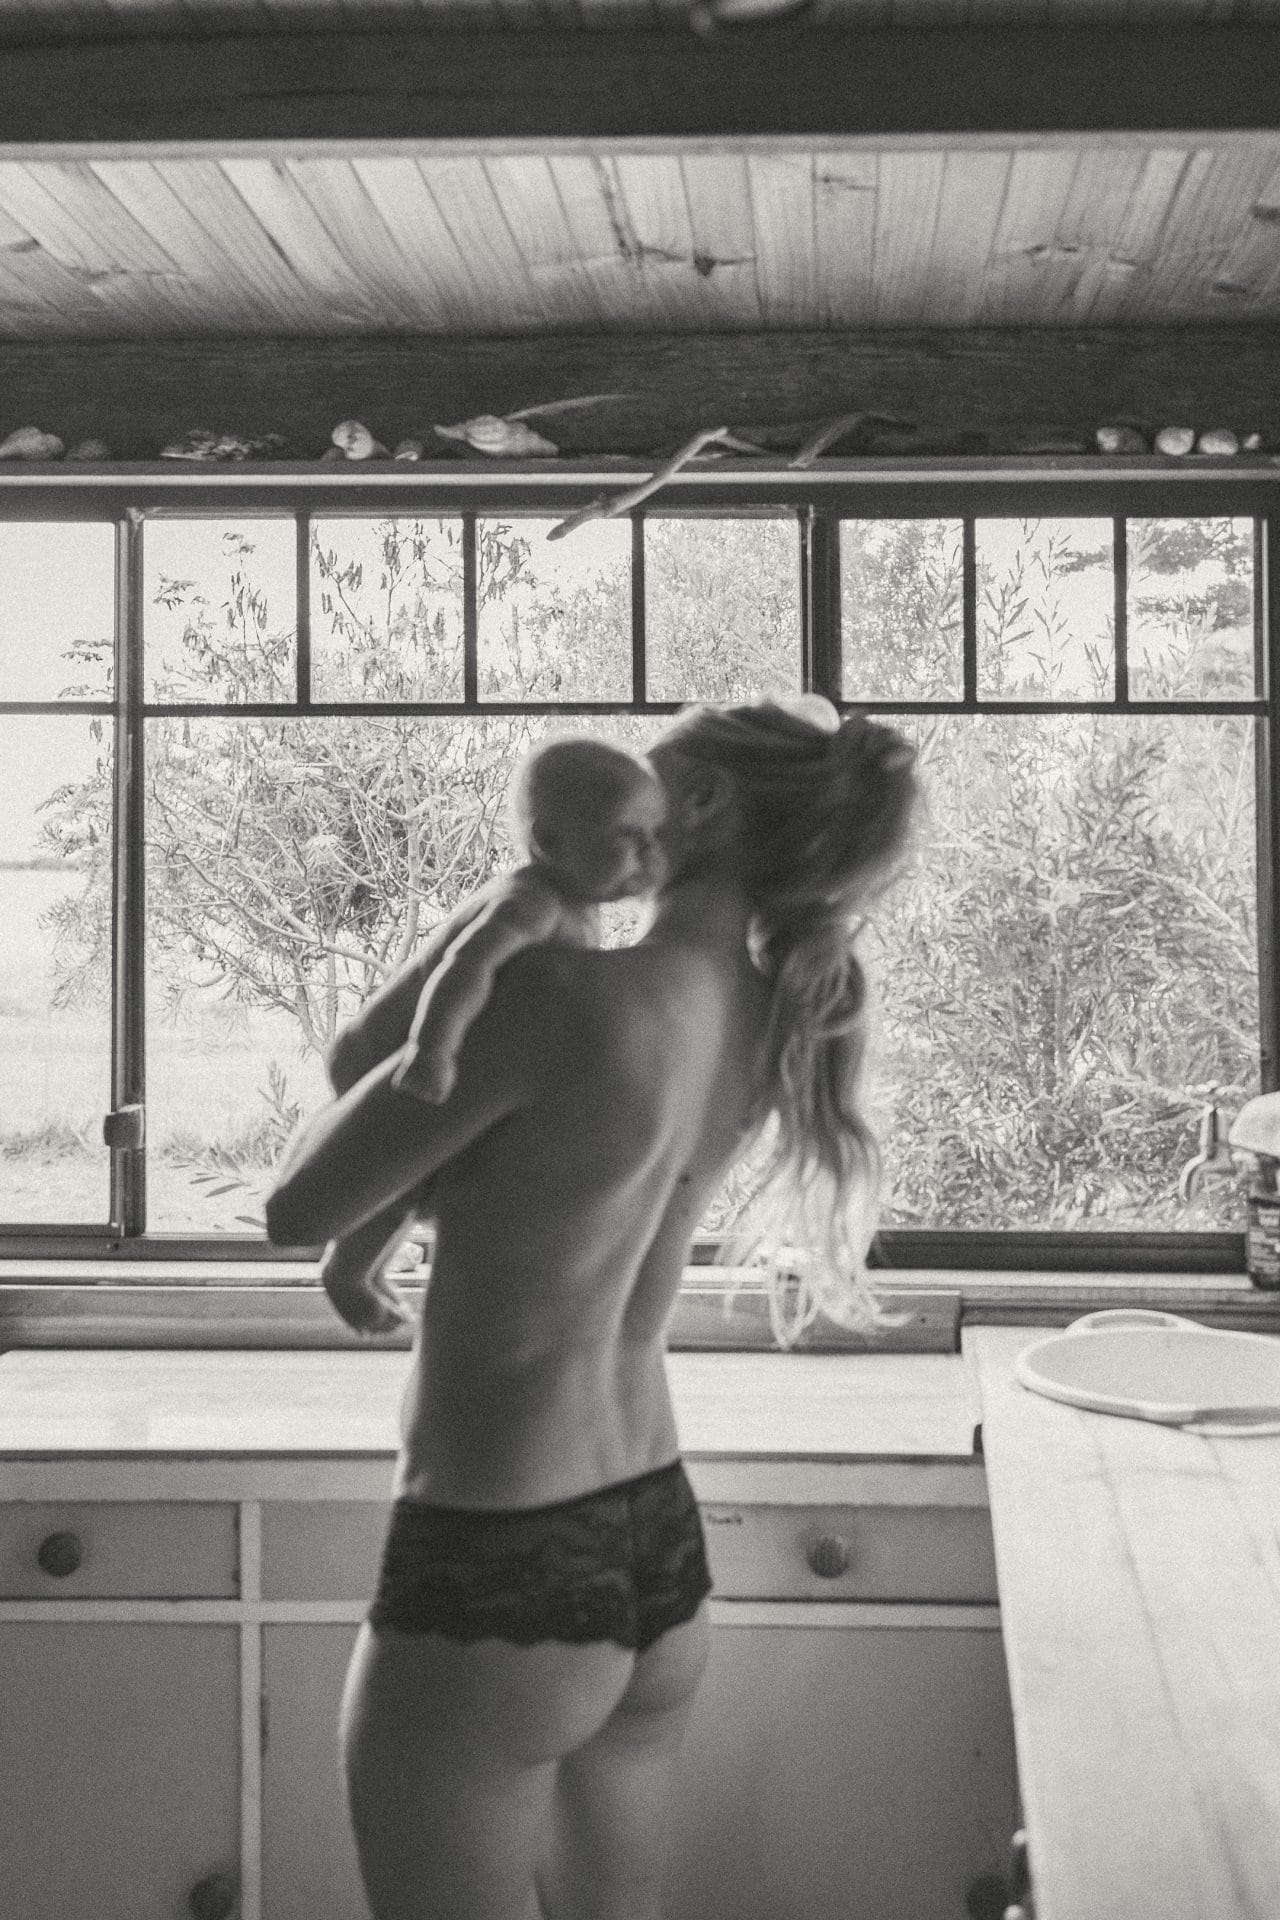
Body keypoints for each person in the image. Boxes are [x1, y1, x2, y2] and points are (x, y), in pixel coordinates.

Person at [263, 695, 919, 1920]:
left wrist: (470, 937)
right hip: (652, 1541)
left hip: (497, 1548)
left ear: (700, 804)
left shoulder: (559, 999)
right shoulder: (759, 1014)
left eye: (644, 775)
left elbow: (300, 1206)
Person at [317, 734, 668, 1336]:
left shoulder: (572, 903)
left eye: (653, 836)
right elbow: (465, 968)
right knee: (402, 1174)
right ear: (550, 842)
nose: (648, 853)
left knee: (418, 1173)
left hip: (422, 1055)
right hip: (388, 1053)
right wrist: (432, 1051)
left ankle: (367, 1263)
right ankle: (346, 1272)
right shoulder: (531, 902)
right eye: (628, 836)